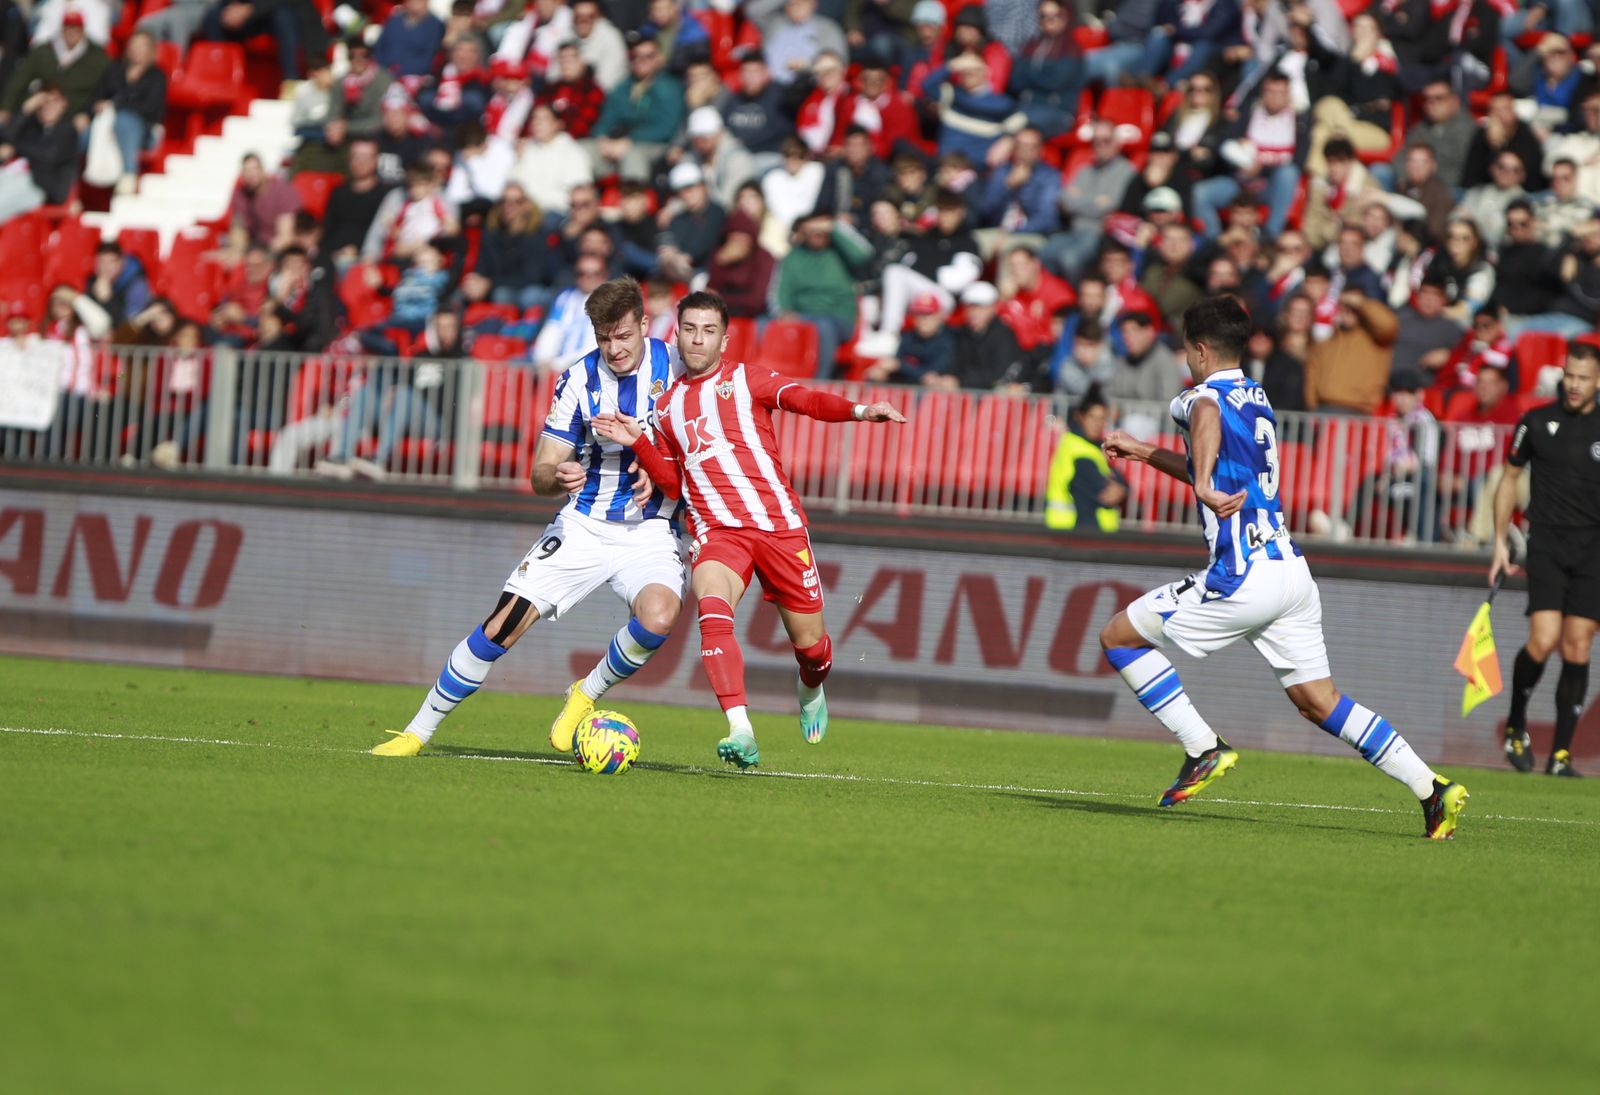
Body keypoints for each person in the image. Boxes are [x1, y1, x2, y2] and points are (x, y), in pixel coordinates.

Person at [1098, 295, 1469, 838]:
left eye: (1186, 350)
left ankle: (1203, 748)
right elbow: (1216, 456)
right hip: (1291, 573)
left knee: (1119, 637)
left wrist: (1200, 482)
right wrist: (1144, 451)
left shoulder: (1200, 397)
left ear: (1200, 350)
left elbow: (1203, 418)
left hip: (1243, 573)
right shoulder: (1258, 396)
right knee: (1320, 702)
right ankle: (1433, 790)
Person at [373, 277, 688, 758]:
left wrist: (662, 465)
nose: (614, 348)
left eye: (623, 336)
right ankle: (416, 733)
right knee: (502, 625)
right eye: (604, 338)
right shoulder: (579, 380)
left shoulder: (678, 367)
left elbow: (705, 443)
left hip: (650, 530)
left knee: (660, 617)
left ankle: (586, 692)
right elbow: (541, 469)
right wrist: (556, 475)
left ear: (645, 325)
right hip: (584, 524)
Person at [593, 289, 907, 768]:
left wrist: (861, 411)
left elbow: (806, 400)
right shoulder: (667, 405)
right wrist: (640, 442)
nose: (698, 340)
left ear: (725, 339)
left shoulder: (746, 380)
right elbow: (673, 482)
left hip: (779, 528)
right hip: (716, 530)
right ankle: (741, 729)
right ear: (677, 335)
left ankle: (810, 686)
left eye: (709, 331)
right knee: (712, 608)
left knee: (814, 650)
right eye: (690, 329)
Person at [1490, 343, 1600, 778]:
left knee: (1578, 645)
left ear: (1597, 382)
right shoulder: (1535, 421)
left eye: (1583, 378)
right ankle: (1517, 724)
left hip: (1594, 549)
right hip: (1548, 544)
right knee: (1543, 639)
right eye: (1569, 376)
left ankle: (1560, 755)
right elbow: (1509, 478)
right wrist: (1500, 540)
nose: (1574, 385)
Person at [1045, 387, 1124, 534]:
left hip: (1078, 531)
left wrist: (1122, 488)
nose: (1097, 423)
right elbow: (1101, 490)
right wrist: (1120, 489)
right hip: (1073, 531)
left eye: (1102, 418)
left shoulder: (1091, 446)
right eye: (1092, 417)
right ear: (1080, 417)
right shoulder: (1078, 449)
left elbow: (1116, 475)